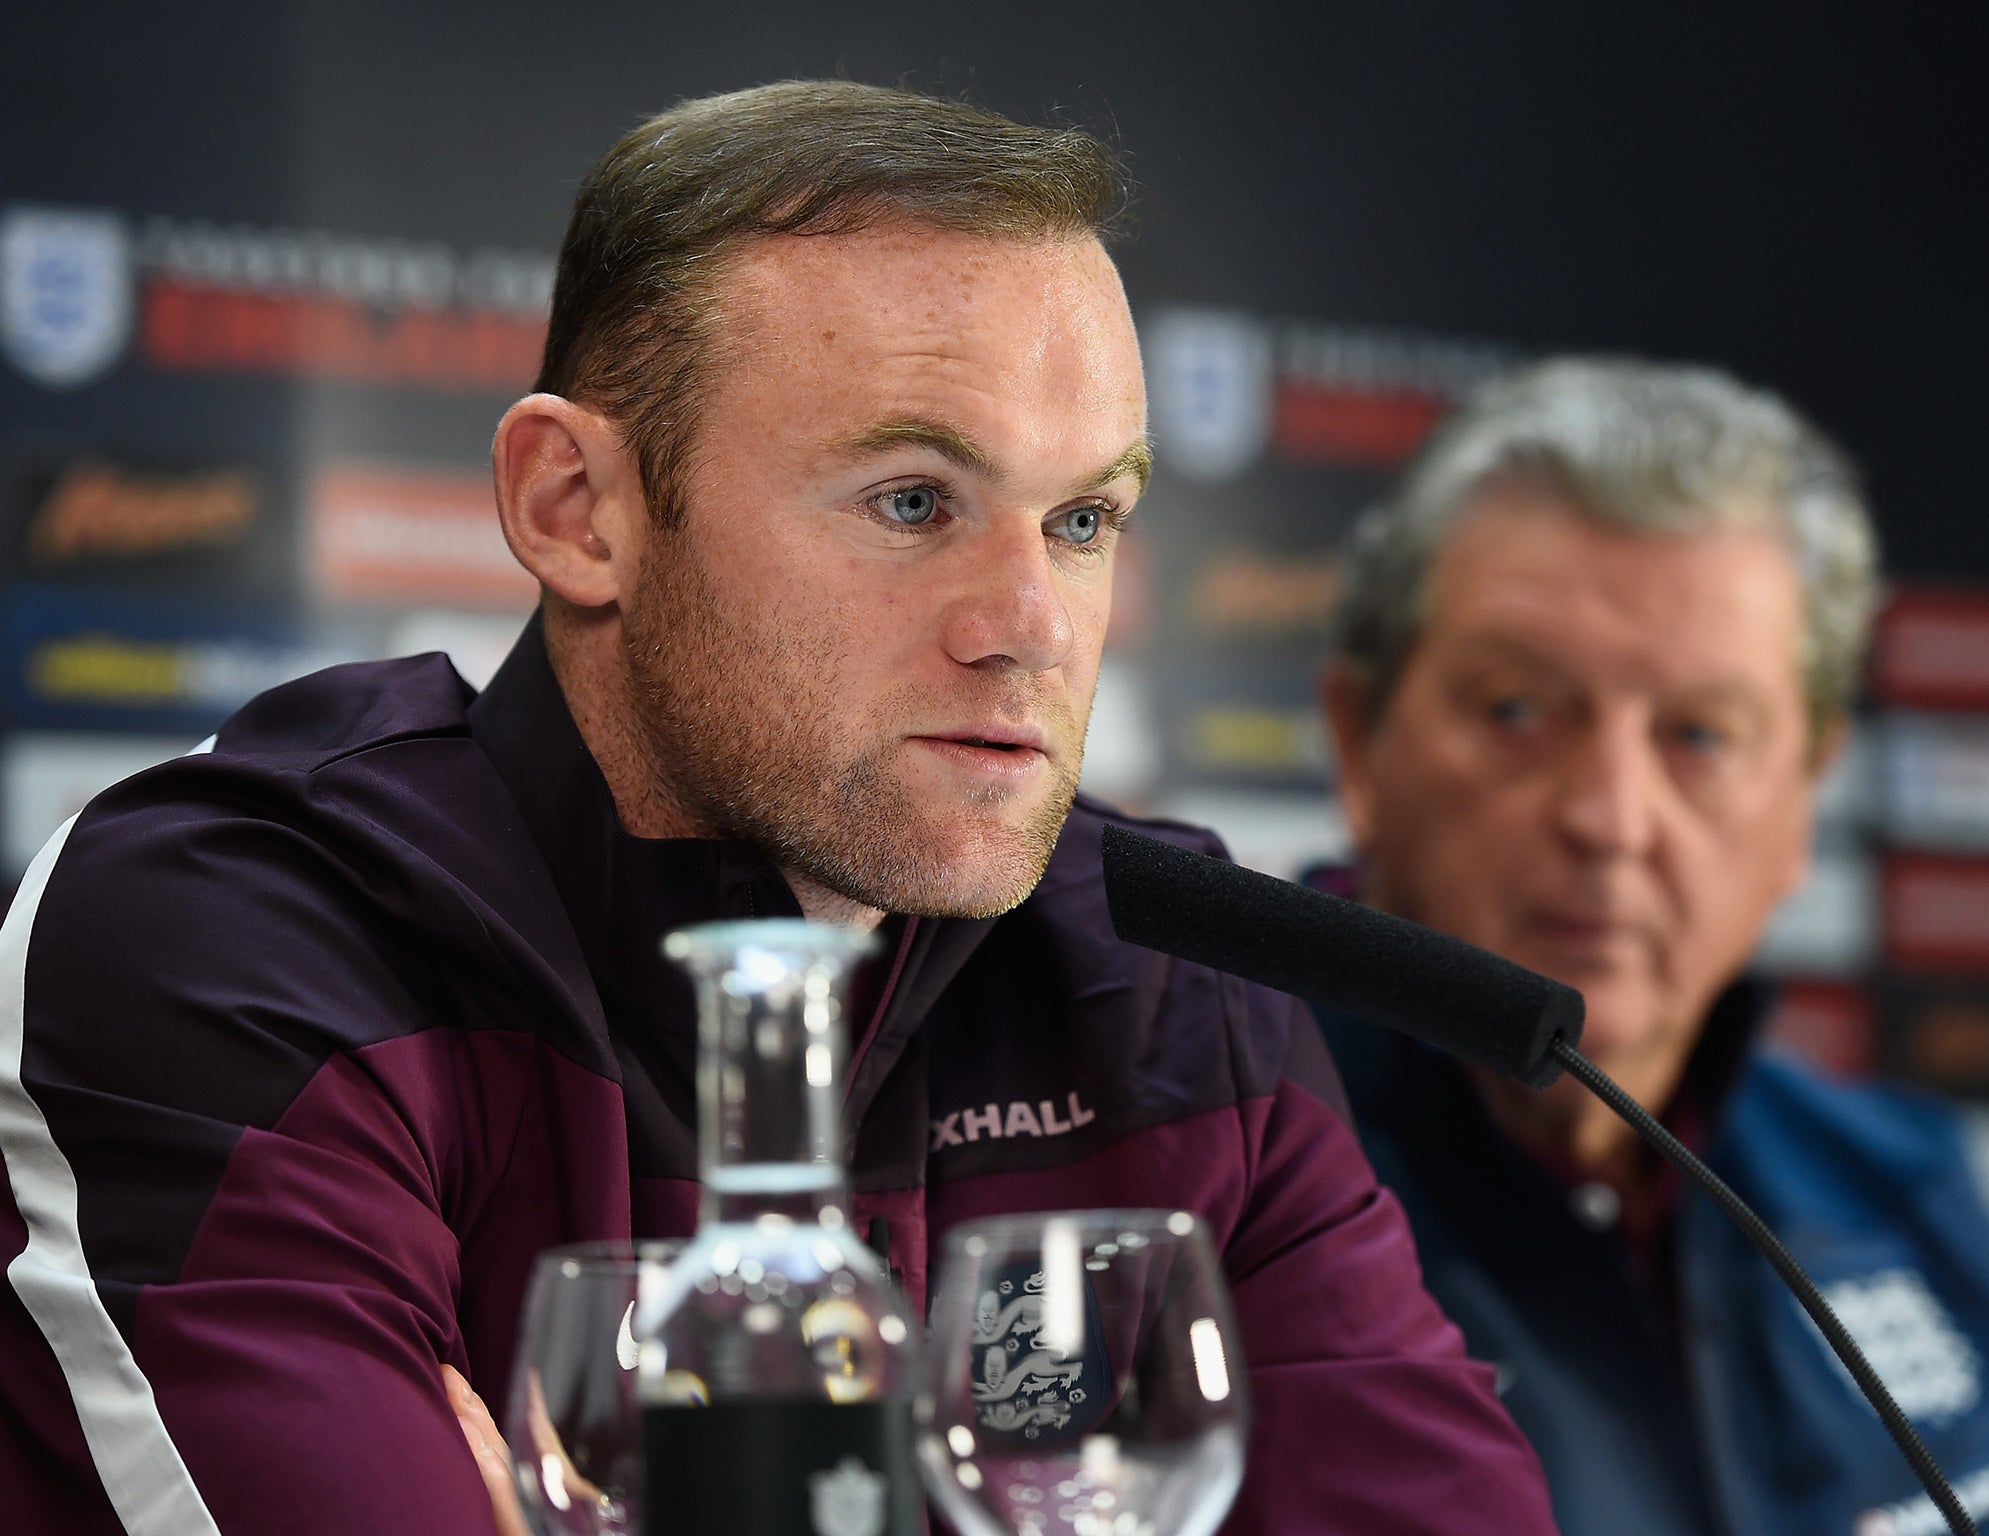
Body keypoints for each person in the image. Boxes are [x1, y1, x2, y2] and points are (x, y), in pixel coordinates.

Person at [0, 82, 1557, 1534]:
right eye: (911, 501)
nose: (1033, 620)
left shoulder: (1169, 979)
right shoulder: (229, 934)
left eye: (1083, 518)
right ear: (576, 510)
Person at [1315, 355, 1989, 1536]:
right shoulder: (1195, 1197)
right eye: (1516, 711)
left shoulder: (1918, 1201)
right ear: (1358, 745)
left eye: (1698, 735)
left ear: (1801, 798)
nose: (1610, 817)